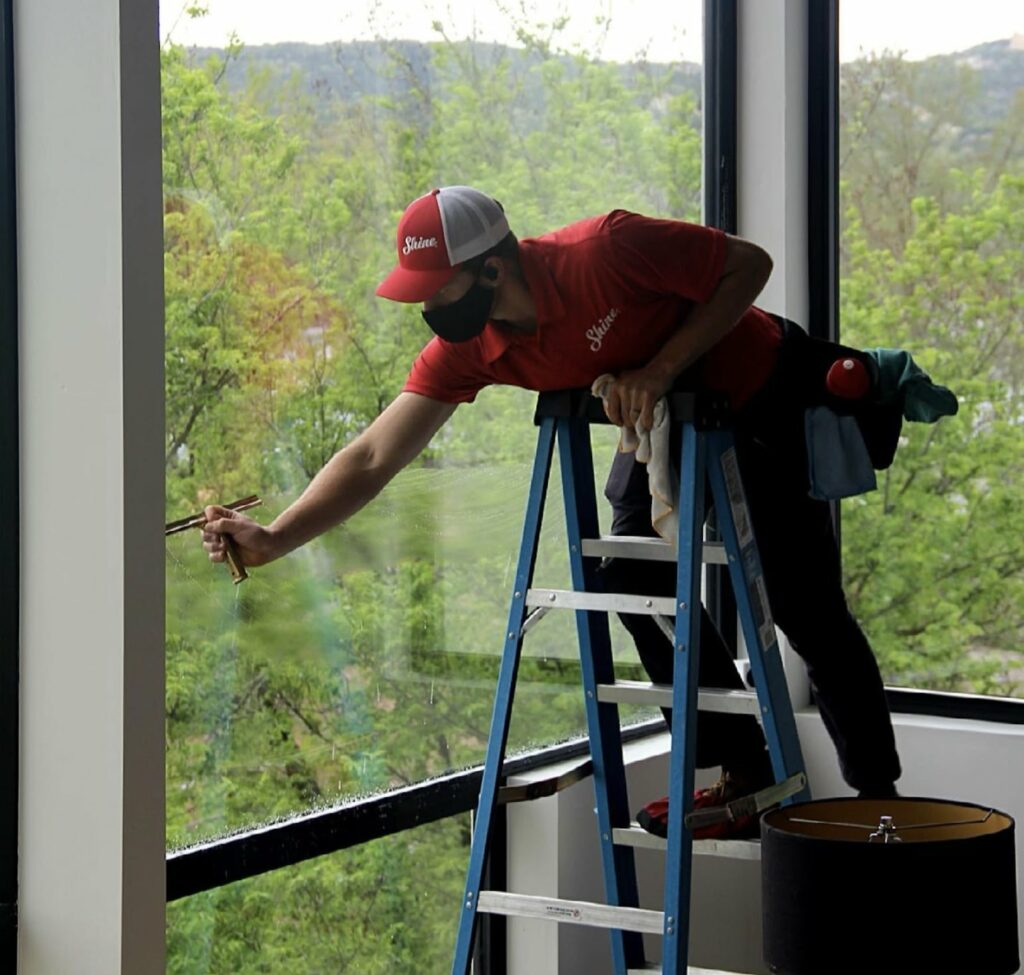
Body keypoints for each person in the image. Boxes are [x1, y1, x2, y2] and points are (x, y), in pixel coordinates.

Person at [201, 185, 902, 838]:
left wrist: (658, 369)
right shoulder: (470, 344)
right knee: (623, 564)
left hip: (758, 399)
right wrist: (274, 537)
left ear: (492, 270)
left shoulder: (606, 250)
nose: (427, 309)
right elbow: (373, 456)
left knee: (806, 609)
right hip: (667, 420)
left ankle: (881, 809)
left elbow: (749, 266)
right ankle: (744, 766)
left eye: (435, 289)